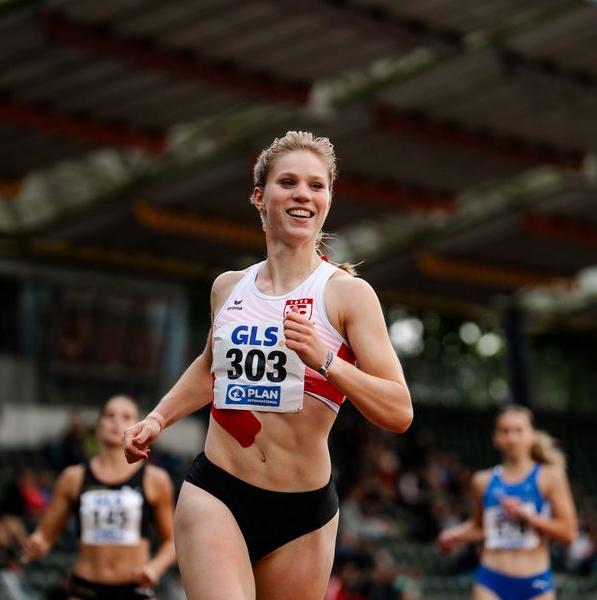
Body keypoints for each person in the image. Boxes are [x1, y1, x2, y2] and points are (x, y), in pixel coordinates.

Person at [123, 130, 413, 600]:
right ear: (259, 197)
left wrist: (326, 360)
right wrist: (157, 418)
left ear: (328, 200)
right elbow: (209, 366)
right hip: (217, 491)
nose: (303, 195)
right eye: (288, 182)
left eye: (316, 186)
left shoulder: (347, 295)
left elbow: (399, 411)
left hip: (303, 513)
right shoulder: (228, 288)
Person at [23, 395, 176, 600]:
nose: (116, 421)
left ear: (139, 427)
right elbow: (45, 535)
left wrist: (155, 568)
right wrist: (38, 543)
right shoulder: (72, 478)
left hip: (135, 588)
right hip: (85, 589)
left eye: (126, 416)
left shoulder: (155, 480)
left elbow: (172, 542)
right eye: (109, 415)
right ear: (97, 426)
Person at [438, 404, 578, 600]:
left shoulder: (550, 477)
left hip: (535, 583)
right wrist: (453, 535)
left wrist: (527, 517)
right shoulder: (482, 481)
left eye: (518, 430)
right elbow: (480, 527)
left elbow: (568, 533)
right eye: (505, 431)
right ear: (495, 438)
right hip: (491, 580)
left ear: (532, 435)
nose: (512, 438)